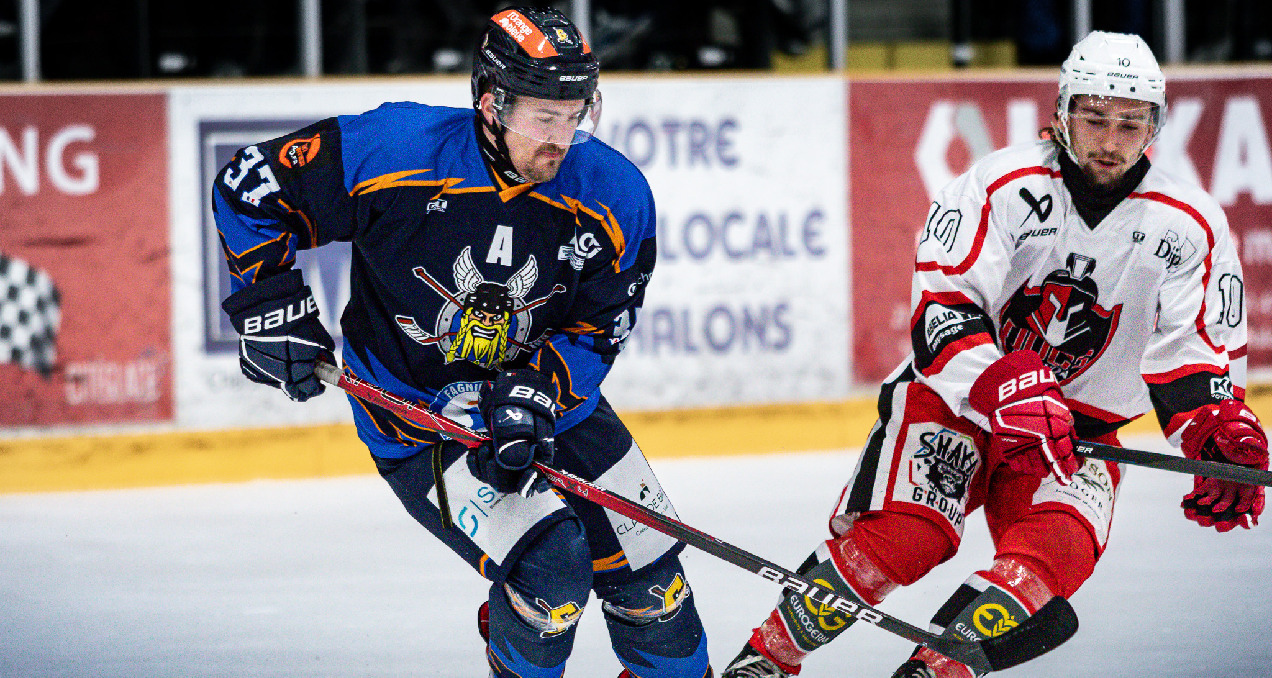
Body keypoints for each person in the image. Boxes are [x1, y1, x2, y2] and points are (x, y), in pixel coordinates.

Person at [722, 31, 1267, 678]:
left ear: (1155, 125)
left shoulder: (1190, 224)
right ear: (1063, 112)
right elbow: (942, 312)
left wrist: (1214, 426)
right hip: (961, 403)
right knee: (904, 536)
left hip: (1079, 435)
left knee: (1052, 556)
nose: (1112, 140)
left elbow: (1192, 359)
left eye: (1131, 123)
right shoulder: (999, 185)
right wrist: (1005, 383)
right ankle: (764, 661)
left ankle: (938, 670)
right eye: (1095, 118)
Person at [211, 7, 712, 678]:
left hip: (551, 407)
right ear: (490, 105)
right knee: (553, 575)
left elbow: (600, 328)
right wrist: (271, 307)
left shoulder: (616, 194)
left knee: (653, 585)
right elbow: (248, 187)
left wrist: (543, 392)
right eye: (543, 117)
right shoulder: (395, 149)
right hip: (417, 418)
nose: (561, 139)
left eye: (576, 115)